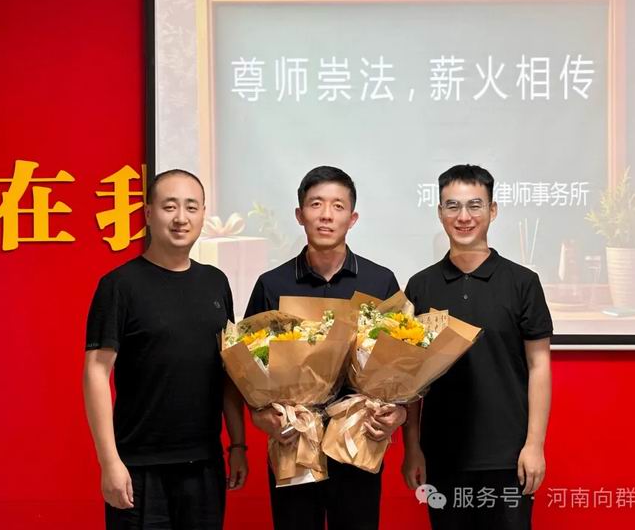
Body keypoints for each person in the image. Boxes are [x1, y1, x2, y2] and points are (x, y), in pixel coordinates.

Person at [83, 169, 247, 530]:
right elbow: (96, 372)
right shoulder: (119, 285)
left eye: (191, 207)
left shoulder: (215, 283)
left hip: (204, 465)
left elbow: (228, 371)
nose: (181, 218)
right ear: (148, 213)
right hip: (139, 467)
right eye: (169, 207)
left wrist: (237, 444)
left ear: (203, 214)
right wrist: (109, 462)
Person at [244, 165, 405, 530]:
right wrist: (260, 415)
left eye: (338, 206)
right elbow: (248, 364)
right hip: (294, 443)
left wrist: (397, 413)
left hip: (358, 443)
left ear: (353, 218)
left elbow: (400, 363)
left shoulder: (380, 282)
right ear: (300, 214)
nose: (326, 215)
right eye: (316, 204)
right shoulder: (272, 285)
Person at [402, 164, 553, 529]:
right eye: (452, 206)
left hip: (509, 457)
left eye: (475, 205)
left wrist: (534, 445)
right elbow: (408, 377)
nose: (464, 217)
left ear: (492, 210)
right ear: (440, 212)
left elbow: (539, 366)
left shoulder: (523, 282)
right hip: (442, 455)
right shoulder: (421, 286)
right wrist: (412, 448)